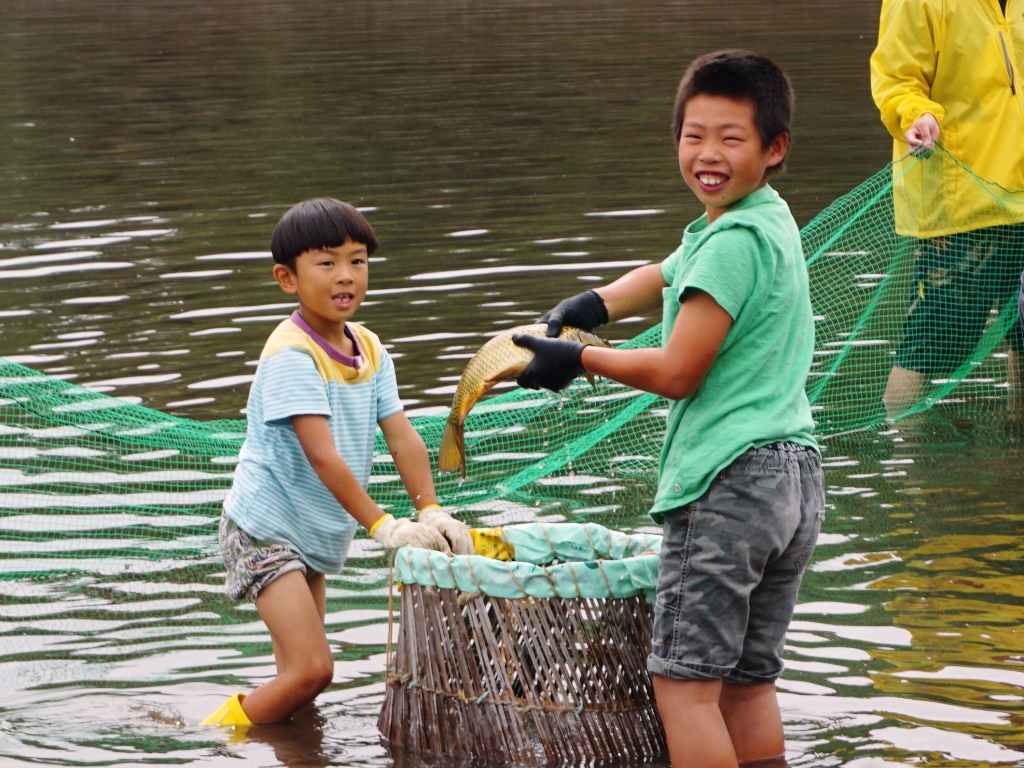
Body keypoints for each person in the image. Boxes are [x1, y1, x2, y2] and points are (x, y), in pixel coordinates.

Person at [512, 51, 824, 768]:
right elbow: (666, 271)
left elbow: (679, 371)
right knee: (747, 684)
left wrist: (579, 357)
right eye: (694, 135)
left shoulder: (732, 241)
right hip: (795, 481)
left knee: (684, 687)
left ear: (774, 148)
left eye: (731, 138)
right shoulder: (760, 221)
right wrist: (592, 305)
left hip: (728, 483)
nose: (708, 155)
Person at [202, 198, 474, 727]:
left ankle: (290, 753)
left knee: (298, 683)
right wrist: (383, 524)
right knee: (312, 671)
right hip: (263, 530)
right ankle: (211, 736)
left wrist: (431, 510)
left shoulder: (369, 348)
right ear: (288, 278)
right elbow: (323, 458)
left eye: (357, 261)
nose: (345, 276)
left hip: (312, 532)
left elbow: (402, 437)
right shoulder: (292, 356)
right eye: (326, 263)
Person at [870, 0, 1024, 418]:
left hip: (1021, 199)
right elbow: (896, 78)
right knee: (926, 347)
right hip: (960, 208)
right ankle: (908, 462)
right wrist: (916, 113)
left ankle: (1014, 445)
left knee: (1023, 334)